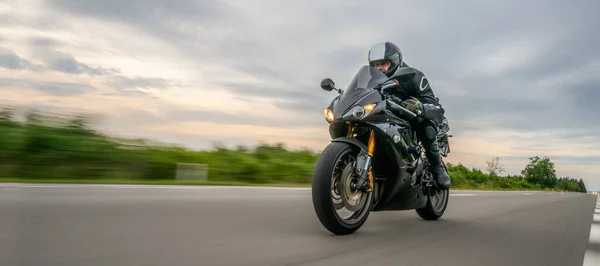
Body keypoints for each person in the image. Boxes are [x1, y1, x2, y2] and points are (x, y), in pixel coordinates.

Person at [368, 42, 451, 190]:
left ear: (395, 62)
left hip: (413, 117)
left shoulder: (413, 76)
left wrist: (420, 107)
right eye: (375, 64)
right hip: (387, 116)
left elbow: (436, 108)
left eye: (384, 63)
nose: (379, 68)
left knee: (427, 128)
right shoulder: (372, 80)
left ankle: (437, 168)